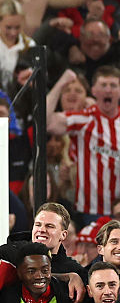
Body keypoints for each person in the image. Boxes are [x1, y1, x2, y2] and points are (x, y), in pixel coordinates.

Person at [49, 67, 120, 222]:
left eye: (113, 85)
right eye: (103, 85)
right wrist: (61, 83)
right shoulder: (85, 119)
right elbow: (46, 122)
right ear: (93, 90)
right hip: (88, 211)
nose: (108, 90)